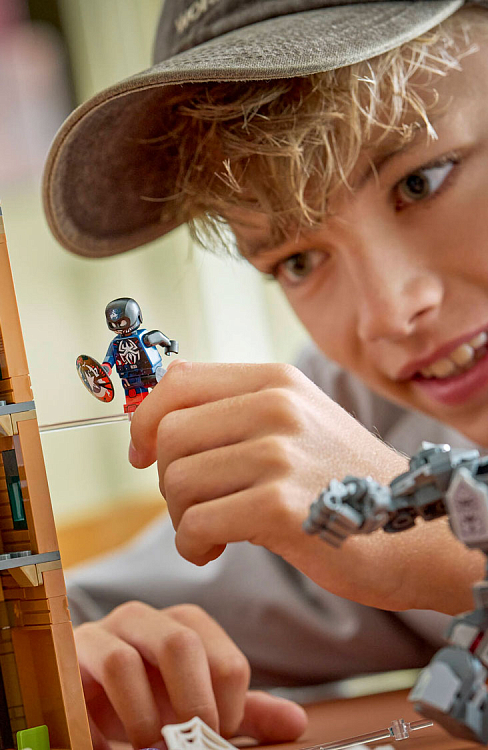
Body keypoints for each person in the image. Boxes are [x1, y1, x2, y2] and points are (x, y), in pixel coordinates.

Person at [42, 2, 488, 749]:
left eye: (422, 181)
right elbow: (61, 636)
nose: (388, 313)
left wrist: (437, 542)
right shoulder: (364, 410)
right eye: (300, 261)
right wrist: (97, 672)